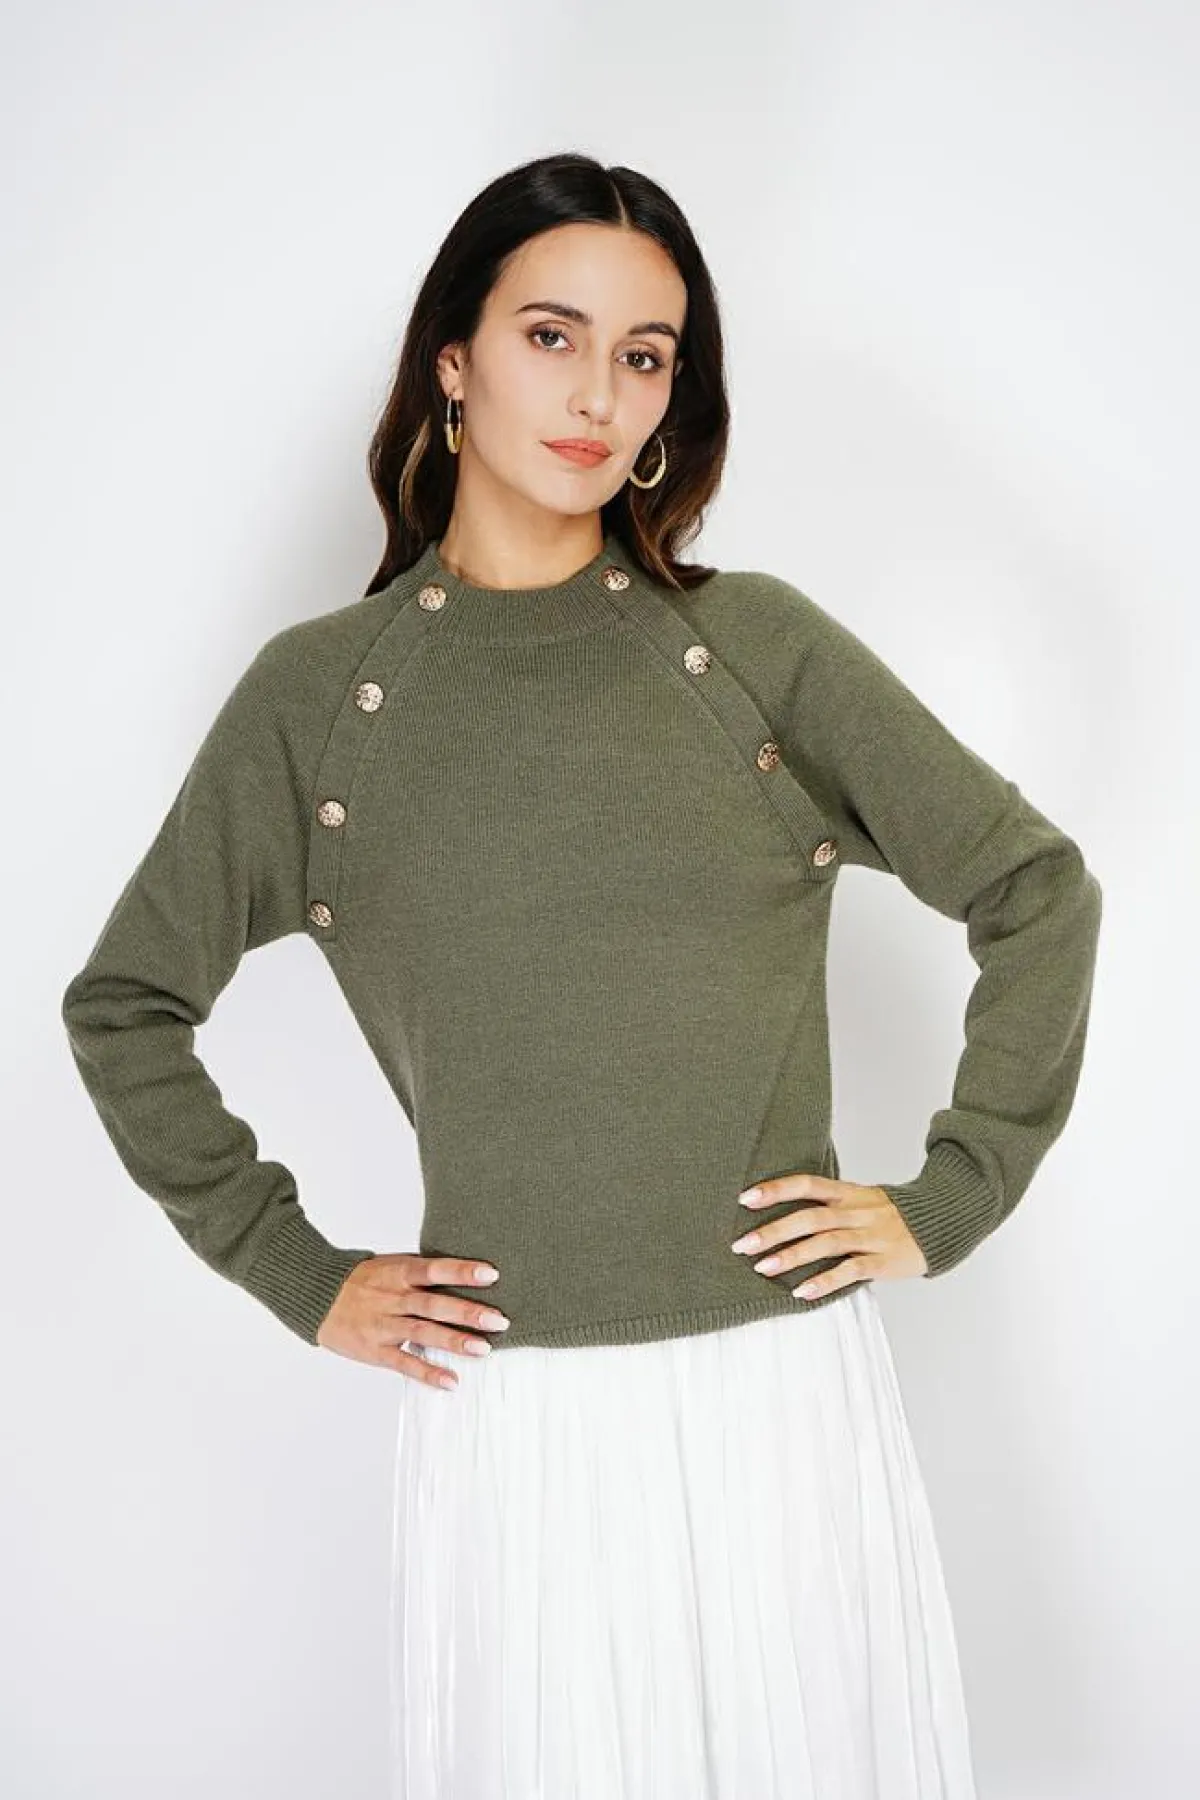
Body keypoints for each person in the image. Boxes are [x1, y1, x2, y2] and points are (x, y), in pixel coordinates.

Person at [60, 151, 1103, 1799]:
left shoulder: (751, 651)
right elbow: (124, 1006)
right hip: (512, 1420)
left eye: (645, 354)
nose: (599, 395)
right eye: (552, 336)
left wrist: (952, 1192)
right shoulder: (322, 704)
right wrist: (295, 1267)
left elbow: (1036, 888)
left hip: (777, 1396)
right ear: (453, 361)